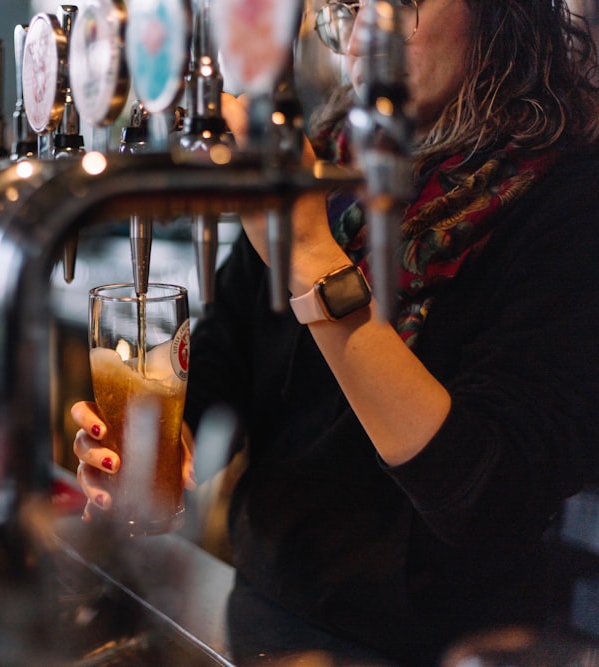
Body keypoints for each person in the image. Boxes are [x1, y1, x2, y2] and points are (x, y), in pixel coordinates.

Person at [70, 1, 599, 665]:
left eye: (400, 2)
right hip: (262, 617)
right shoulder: (327, 161)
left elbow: (487, 492)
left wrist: (313, 256)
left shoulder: (568, 200)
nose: (363, 31)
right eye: (347, 7)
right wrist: (160, 444)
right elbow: (220, 360)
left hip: (448, 646)